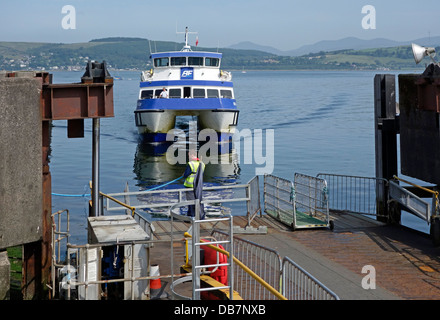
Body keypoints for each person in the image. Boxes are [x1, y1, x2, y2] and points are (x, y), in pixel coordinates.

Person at [183, 152, 205, 217]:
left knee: (190, 202)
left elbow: (186, 174)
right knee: (198, 200)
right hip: (199, 186)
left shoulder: (190, 164)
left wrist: (184, 174)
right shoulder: (202, 164)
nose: (188, 157)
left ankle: (191, 216)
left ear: (192, 155)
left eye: (189, 155)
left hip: (190, 185)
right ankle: (200, 215)